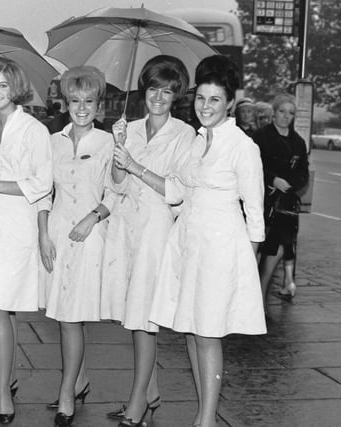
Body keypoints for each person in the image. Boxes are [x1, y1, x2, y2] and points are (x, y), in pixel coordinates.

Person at [143, 55, 266, 427]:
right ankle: (202, 412)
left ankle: (207, 420)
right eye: (200, 99)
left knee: (208, 332)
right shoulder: (197, 141)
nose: (205, 107)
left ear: (230, 102)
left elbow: (255, 213)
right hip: (189, 243)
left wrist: (247, 267)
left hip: (221, 246)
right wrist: (133, 166)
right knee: (192, 332)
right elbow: (176, 191)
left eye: (214, 100)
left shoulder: (242, 146)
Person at [101, 55, 195, 427]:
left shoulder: (184, 134)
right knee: (133, 314)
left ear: (176, 96)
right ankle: (151, 391)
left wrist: (136, 166)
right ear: (145, 89)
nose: (159, 97)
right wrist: (119, 152)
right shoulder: (130, 128)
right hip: (126, 228)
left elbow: (176, 190)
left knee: (143, 319)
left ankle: (137, 401)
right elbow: (116, 185)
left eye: (168, 91)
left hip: (157, 230)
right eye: (154, 88)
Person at [0, 56, 53, 424]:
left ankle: (3, 392)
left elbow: (43, 183)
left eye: (3, 85)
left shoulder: (34, 129)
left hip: (18, 224)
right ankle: (7, 378)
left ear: (14, 87)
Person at [37, 66, 115, 427]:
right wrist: (42, 233)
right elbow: (43, 192)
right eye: (74, 100)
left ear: (99, 104)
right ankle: (79, 380)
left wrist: (93, 216)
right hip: (56, 236)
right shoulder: (52, 141)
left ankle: (67, 393)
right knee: (64, 315)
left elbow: (118, 191)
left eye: (89, 100)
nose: (81, 107)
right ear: (65, 102)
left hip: (88, 237)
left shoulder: (108, 141)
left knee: (71, 317)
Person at [254, 94, 309, 301]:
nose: (286, 117)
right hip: (263, 202)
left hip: (285, 206)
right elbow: (252, 166)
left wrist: (291, 185)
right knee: (256, 253)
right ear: (274, 113)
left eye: (291, 113)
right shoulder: (260, 137)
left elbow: (303, 173)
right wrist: (273, 179)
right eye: (282, 111)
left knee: (274, 254)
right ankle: (249, 300)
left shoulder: (298, 142)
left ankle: (260, 300)